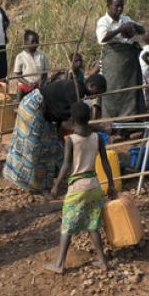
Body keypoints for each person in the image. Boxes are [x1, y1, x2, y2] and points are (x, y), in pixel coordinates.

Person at [3, 74, 107, 193]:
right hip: (33, 106)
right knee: (32, 146)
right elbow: (78, 125)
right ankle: (28, 183)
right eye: (98, 92)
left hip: (45, 113)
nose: (97, 96)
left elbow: (68, 121)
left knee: (50, 147)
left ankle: (43, 184)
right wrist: (100, 128)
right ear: (92, 85)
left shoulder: (79, 92)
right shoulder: (76, 90)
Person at [48, 101, 116, 274]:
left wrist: (56, 186)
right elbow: (106, 163)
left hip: (77, 188)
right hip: (94, 185)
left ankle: (60, 264)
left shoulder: (70, 140)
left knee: (67, 226)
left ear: (72, 120)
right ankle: (102, 261)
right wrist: (111, 185)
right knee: (93, 225)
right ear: (90, 118)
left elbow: (66, 165)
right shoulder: (97, 137)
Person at [96, 0, 145, 127]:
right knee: (111, 92)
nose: (119, 9)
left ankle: (130, 125)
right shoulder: (103, 22)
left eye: (121, 6)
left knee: (130, 92)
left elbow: (142, 29)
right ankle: (112, 126)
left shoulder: (125, 18)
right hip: (113, 62)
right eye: (116, 6)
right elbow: (102, 39)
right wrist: (119, 30)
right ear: (108, 6)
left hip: (128, 63)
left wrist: (133, 26)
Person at [12, 30, 51, 95]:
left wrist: (42, 83)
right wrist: (28, 83)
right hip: (25, 85)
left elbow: (45, 73)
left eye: (37, 41)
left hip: (39, 84)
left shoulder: (42, 55)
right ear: (26, 42)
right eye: (32, 41)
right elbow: (18, 75)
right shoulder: (20, 57)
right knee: (20, 92)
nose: (35, 43)